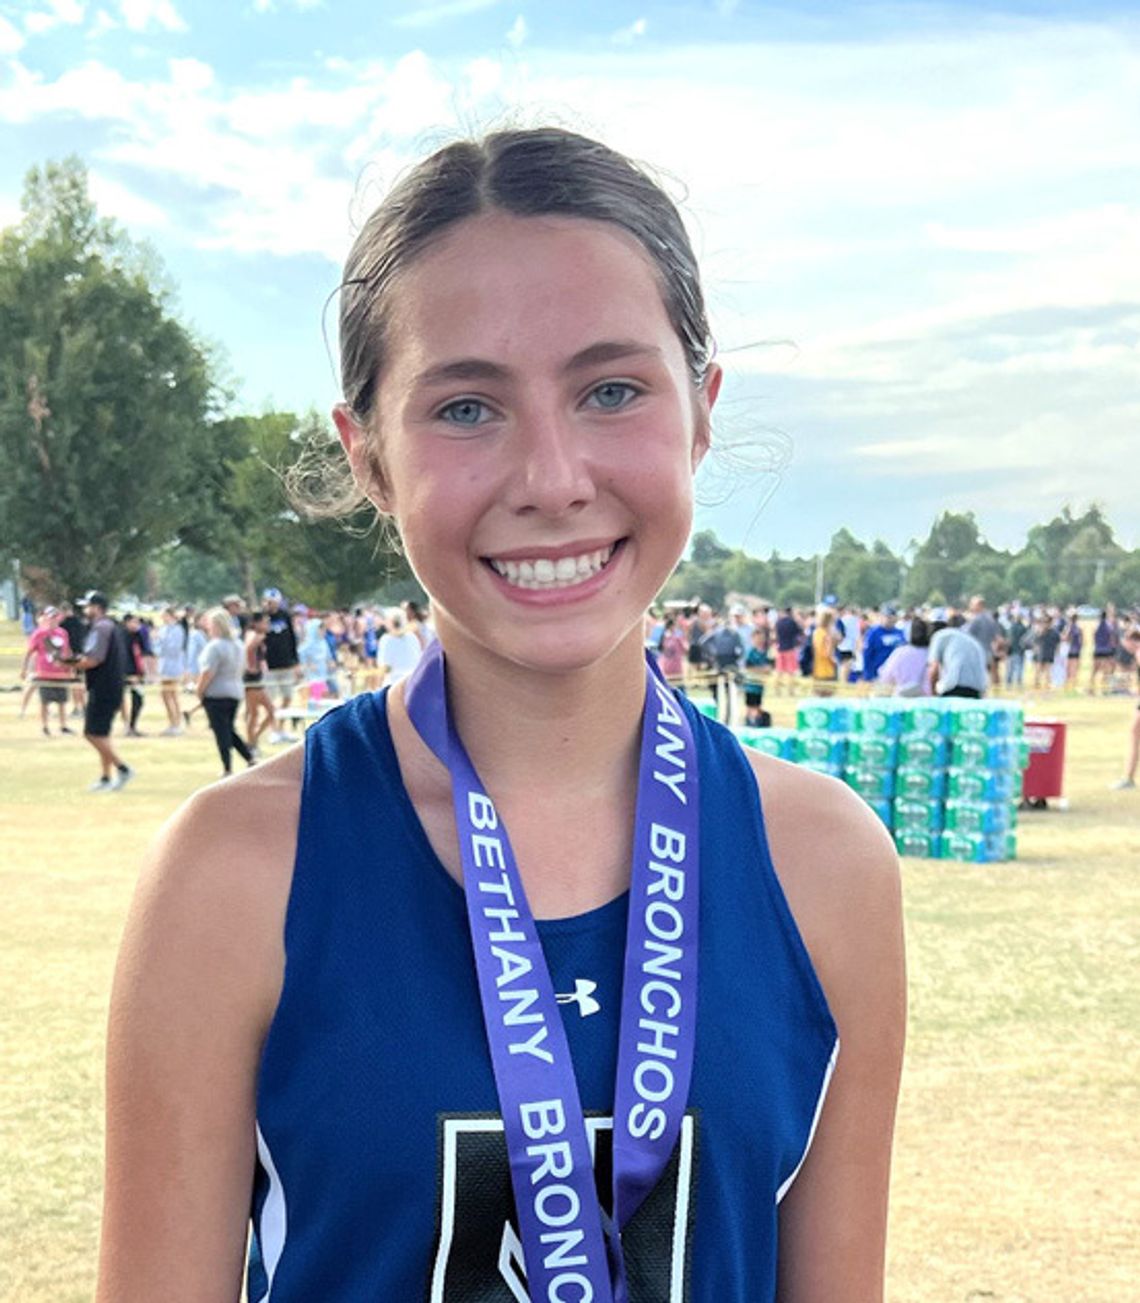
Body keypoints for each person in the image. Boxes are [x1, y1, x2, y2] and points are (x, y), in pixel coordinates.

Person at [98, 128, 904, 1302]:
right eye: (468, 408)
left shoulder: (825, 865)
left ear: (701, 412)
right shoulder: (237, 871)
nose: (552, 475)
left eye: (613, 390)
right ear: (367, 455)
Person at [75, 591, 133, 792]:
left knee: (91, 733)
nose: (85, 610)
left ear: (97, 608)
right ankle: (106, 777)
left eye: (87, 606)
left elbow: (93, 659)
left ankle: (122, 768)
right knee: (102, 734)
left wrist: (70, 664)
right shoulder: (111, 627)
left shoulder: (100, 628)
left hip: (103, 687)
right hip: (112, 686)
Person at [198, 607, 256, 778]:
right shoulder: (238, 645)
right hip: (235, 691)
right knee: (229, 729)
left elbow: (207, 672)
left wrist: (199, 690)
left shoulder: (214, 647)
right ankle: (249, 757)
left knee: (221, 731)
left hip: (216, 693)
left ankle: (227, 767)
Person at [20, 605, 75, 735]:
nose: (53, 621)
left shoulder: (63, 633)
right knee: (45, 700)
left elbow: (66, 651)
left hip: (60, 672)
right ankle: (45, 726)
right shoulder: (39, 634)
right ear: (45, 618)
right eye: (51, 618)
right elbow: (29, 652)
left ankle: (63, 725)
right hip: (44, 671)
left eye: (56, 618)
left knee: (62, 700)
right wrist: (24, 669)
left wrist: (71, 667)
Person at [927, 615, 989, 699]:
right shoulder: (972, 640)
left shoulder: (939, 636)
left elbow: (934, 669)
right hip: (977, 688)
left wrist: (933, 694)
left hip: (954, 685)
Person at [876, 616, 931, 696]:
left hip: (903, 700)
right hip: (928, 701)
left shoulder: (900, 652)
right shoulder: (931, 653)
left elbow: (885, 677)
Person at [377, 605, 423, 685]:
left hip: (394, 683)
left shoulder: (386, 639)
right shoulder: (413, 637)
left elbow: (385, 666)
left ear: (390, 622)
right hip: (412, 681)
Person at [861, 604, 907, 684]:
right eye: (887, 617)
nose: (890, 619)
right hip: (878, 674)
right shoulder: (873, 633)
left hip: (896, 676)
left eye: (892, 617)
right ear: (881, 617)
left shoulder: (900, 633)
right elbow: (867, 654)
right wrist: (868, 675)